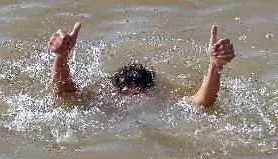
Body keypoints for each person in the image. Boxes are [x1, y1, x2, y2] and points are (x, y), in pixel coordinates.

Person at [48, 22, 235, 108]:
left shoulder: (162, 100)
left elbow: (201, 102)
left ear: (150, 92)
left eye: (138, 89)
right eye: (125, 89)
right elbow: (64, 94)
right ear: (117, 90)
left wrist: (214, 65)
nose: (131, 94)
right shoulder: (104, 97)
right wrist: (61, 56)